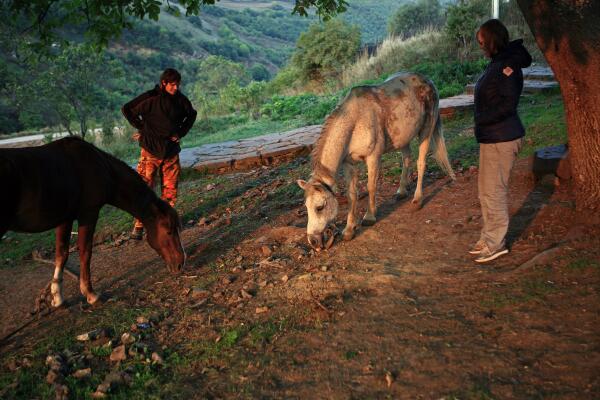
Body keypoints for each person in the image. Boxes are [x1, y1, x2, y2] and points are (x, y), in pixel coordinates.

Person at [470, 19, 532, 263]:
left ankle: (496, 243)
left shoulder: (508, 65)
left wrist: (482, 118)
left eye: (482, 41)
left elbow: (508, 103)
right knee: (486, 191)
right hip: (492, 135)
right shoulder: (498, 62)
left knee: (494, 191)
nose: (480, 45)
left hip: (502, 136)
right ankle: (488, 237)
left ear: (492, 39)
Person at [122, 68, 197, 239]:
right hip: (150, 151)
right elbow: (127, 109)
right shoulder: (150, 97)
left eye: (177, 84)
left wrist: (181, 132)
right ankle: (139, 225)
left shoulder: (180, 100)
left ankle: (166, 222)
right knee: (144, 188)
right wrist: (143, 128)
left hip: (170, 151)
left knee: (170, 190)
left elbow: (191, 115)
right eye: (172, 85)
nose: (176, 88)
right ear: (164, 83)